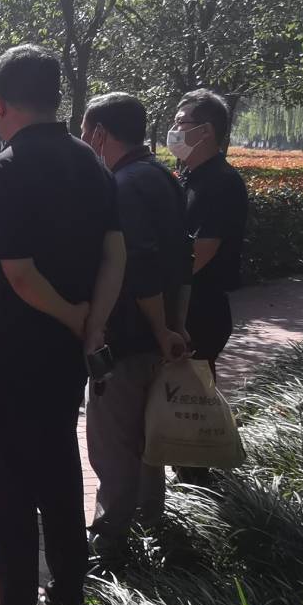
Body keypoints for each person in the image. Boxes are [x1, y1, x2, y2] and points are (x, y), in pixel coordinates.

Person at [0, 45, 124, 605]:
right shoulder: (90, 161)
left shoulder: (9, 167)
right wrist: (91, 325)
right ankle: (69, 593)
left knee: (12, 491)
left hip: (14, 353)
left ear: (0, 104)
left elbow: (18, 273)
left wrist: (74, 317)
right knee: (60, 470)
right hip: (66, 355)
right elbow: (115, 253)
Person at [78, 93, 191, 569]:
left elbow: (136, 266)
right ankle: (150, 529)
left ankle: (110, 544)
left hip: (126, 339)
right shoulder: (165, 178)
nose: (84, 142)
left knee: (114, 447)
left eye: (86, 132)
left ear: (101, 133)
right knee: (148, 444)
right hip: (157, 338)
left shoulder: (121, 185)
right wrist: (175, 326)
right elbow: (182, 262)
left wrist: (160, 328)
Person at [167, 89, 248, 380]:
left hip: (199, 310)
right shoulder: (189, 176)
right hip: (184, 304)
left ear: (206, 131)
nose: (174, 130)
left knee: (189, 397)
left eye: (181, 122)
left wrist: (161, 289)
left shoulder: (222, 183)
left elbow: (202, 250)